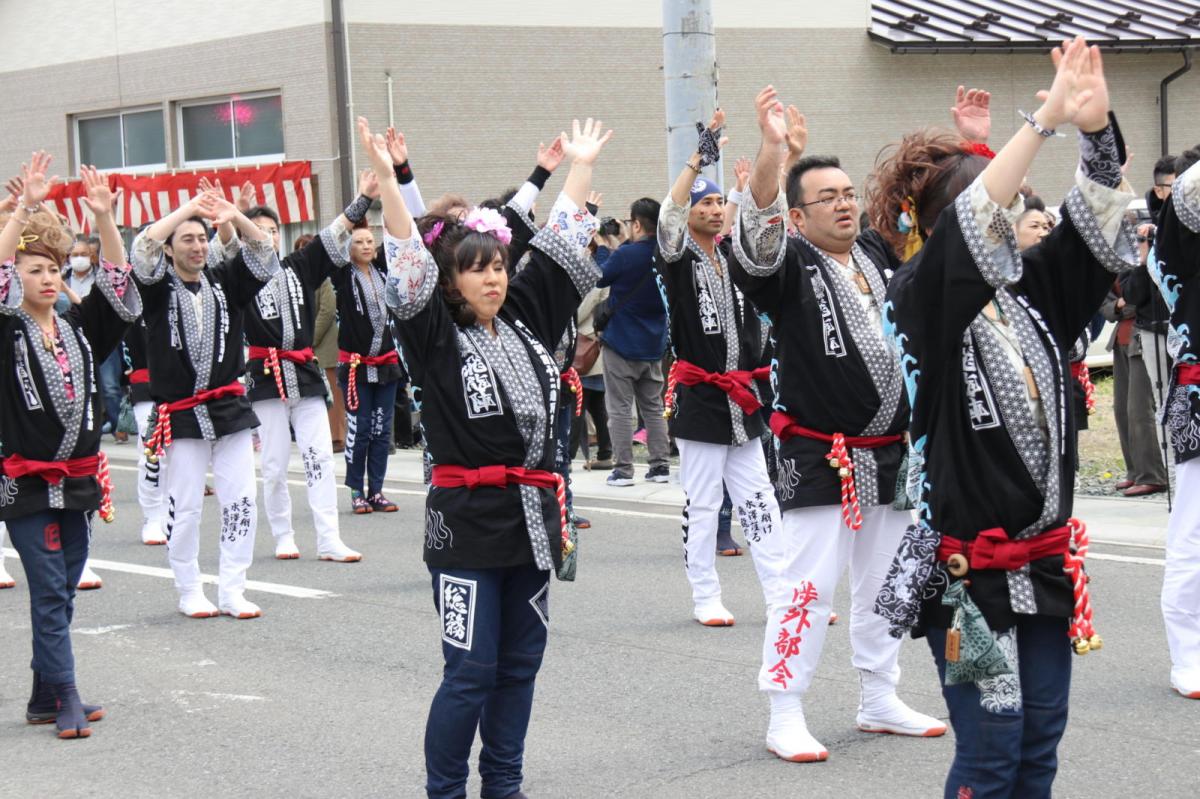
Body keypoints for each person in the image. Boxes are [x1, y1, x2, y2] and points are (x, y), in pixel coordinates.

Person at [875, 38, 1138, 796]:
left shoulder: (1032, 298)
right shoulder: (919, 301)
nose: (1018, 215)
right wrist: (1043, 119)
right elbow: (973, 225)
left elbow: (1092, 232)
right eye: (1000, 205)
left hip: (1043, 559)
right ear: (945, 230)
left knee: (1039, 741)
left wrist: (1094, 132)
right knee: (991, 746)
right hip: (965, 576)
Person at [369, 113, 610, 799]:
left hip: (532, 517)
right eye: (476, 270)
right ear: (449, 281)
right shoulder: (431, 333)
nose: (493, 279)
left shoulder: (528, 318)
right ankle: (444, 791)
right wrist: (388, 182)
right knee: (469, 669)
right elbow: (407, 260)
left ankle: (504, 785)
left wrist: (580, 168)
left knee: (520, 664)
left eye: (498, 266)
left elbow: (563, 241)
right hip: (467, 521)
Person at [731, 87, 945, 762]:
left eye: (849, 192)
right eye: (828, 196)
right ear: (798, 214)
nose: (845, 203)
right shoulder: (786, 264)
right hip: (819, 451)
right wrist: (773, 150)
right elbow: (759, 227)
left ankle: (879, 694)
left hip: (890, 452)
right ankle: (784, 708)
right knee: (807, 585)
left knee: (889, 579)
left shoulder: (879, 258)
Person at [0, 157, 141, 738]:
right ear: (15, 278)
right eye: (34, 270)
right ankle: (67, 697)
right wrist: (18, 213)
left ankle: (41, 695)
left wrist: (106, 219)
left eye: (54, 270)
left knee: (63, 589)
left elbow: (119, 288)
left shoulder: (79, 327)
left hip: (79, 479)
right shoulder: (6, 328)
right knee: (52, 588)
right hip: (27, 482)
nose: (48, 279)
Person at [131, 180, 281, 620]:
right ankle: (188, 587)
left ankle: (234, 588)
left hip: (229, 406)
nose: (197, 247)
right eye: (187, 240)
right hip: (180, 411)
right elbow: (143, 247)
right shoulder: (156, 288)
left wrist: (231, 214)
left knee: (240, 500)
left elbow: (263, 252)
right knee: (187, 503)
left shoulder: (224, 282)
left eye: (201, 238)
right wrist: (186, 209)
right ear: (172, 248)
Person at [654, 111, 780, 632]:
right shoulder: (677, 257)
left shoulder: (733, 261)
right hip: (701, 398)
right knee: (704, 504)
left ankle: (783, 592)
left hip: (742, 399)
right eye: (701, 203)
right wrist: (697, 159)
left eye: (714, 202)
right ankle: (706, 594)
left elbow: (751, 227)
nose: (710, 209)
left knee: (760, 501)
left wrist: (741, 193)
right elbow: (667, 215)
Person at [233, 180, 367, 562]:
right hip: (264, 373)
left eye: (273, 231)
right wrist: (237, 215)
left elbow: (334, 232)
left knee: (320, 456)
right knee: (274, 463)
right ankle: (282, 533)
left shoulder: (299, 266)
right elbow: (223, 246)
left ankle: (328, 538)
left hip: (304, 371)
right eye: (259, 231)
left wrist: (365, 197)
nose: (268, 236)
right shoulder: (239, 275)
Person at [1148, 144, 1200, 700]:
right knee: (1194, 530)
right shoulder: (1180, 257)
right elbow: (1189, 198)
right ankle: (1188, 652)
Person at [596, 197, 671, 486]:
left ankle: (624, 470)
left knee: (619, 409)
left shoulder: (625, 255)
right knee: (653, 407)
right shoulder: (666, 254)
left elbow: (601, 277)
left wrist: (604, 245)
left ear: (637, 223)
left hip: (621, 345)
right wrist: (628, 239)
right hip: (653, 346)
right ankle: (660, 466)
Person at [333, 221, 401, 514]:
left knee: (381, 430)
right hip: (356, 365)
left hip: (386, 364)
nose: (367, 245)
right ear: (348, 249)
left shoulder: (384, 273)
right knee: (360, 429)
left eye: (370, 241)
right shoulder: (342, 276)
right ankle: (356, 490)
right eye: (359, 241)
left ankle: (376, 490)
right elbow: (333, 244)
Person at [1101, 258, 1168, 496]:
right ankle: (1135, 471)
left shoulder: (1150, 258)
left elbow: (1144, 299)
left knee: (1140, 409)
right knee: (1121, 409)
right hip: (1123, 338)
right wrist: (1120, 305)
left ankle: (1152, 474)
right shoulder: (1113, 261)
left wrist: (1123, 305)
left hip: (1144, 336)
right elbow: (1106, 306)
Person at [123, 318, 167, 545]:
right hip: (146, 382)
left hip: (185, 383)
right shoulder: (132, 293)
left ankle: (171, 512)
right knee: (152, 453)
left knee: (181, 455)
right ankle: (152, 516)